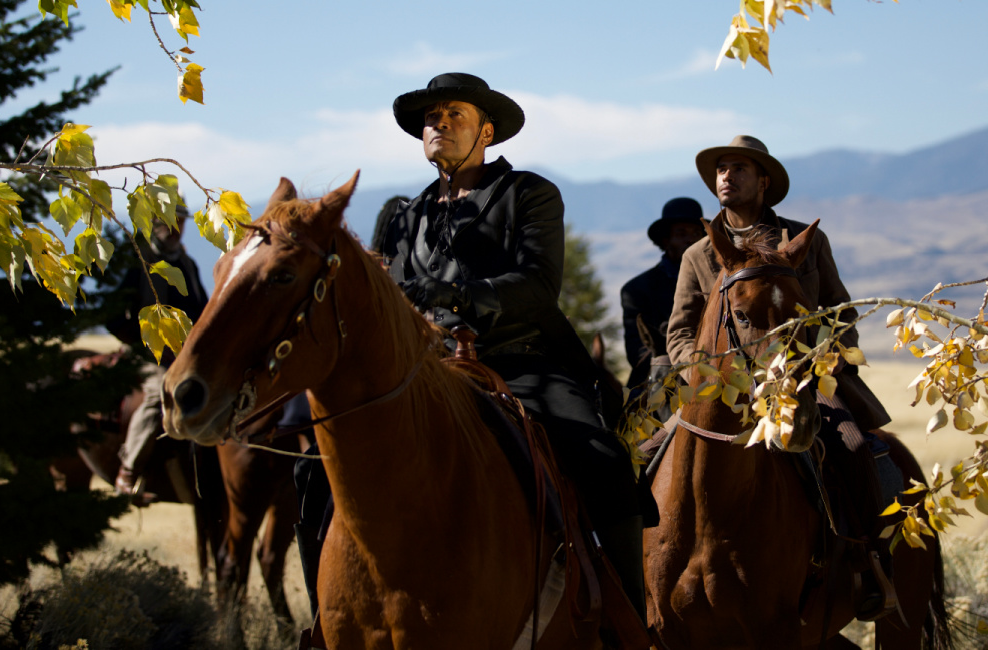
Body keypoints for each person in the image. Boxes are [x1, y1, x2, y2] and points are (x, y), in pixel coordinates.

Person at [378, 72, 651, 622]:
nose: (439, 123)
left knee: (602, 463)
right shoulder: (404, 216)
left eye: (455, 114)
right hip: (422, 372)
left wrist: (454, 295)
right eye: (432, 116)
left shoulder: (528, 193)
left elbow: (538, 285)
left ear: (488, 131)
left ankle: (629, 618)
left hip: (520, 362)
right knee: (314, 467)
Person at [665, 134, 896, 620]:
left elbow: (842, 315)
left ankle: (870, 563)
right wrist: (710, 373)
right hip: (720, 390)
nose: (727, 176)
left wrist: (808, 366)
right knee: (647, 456)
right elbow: (681, 333)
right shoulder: (699, 256)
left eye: (740, 168)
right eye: (721, 168)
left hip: (801, 381)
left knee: (853, 447)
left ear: (764, 182)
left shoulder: (806, 243)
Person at [108, 202, 209, 503]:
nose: (177, 229)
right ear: (154, 223)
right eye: (170, 222)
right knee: (159, 395)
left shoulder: (188, 265)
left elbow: (202, 312)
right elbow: (112, 317)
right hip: (145, 356)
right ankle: (127, 473)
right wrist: (150, 348)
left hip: (186, 355)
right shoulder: (137, 262)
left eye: (180, 222)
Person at [619, 198, 705, 393]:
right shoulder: (636, 290)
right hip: (661, 382)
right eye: (681, 234)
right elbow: (638, 354)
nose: (690, 240)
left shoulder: (718, 282)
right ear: (666, 240)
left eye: (697, 234)